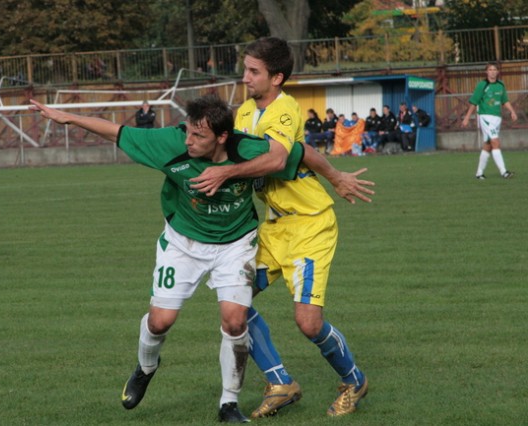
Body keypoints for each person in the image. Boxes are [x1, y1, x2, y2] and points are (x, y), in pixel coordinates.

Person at [30, 94, 305, 423]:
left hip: (235, 245)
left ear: (222, 137)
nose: (188, 140)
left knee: (235, 321)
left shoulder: (249, 149)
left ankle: (228, 404)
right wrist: (68, 118)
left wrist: (337, 176)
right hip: (183, 244)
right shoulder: (171, 143)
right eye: (187, 132)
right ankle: (146, 367)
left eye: (198, 136)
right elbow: (117, 132)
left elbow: (296, 154)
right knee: (160, 321)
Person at [190, 37, 374, 419]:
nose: (245, 77)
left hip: (309, 226)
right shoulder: (243, 114)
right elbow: (294, 152)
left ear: (276, 77)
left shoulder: (285, 109)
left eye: (254, 72)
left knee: (308, 322)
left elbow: (279, 157)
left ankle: (354, 380)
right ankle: (280, 382)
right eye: (245, 69)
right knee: (234, 304)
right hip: (273, 230)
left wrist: (336, 177)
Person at [461, 62, 517, 179]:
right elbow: (473, 102)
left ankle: (479, 173)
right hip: (485, 117)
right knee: (496, 142)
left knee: (488, 145)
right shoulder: (482, 85)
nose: (492, 72)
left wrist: (512, 111)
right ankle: (504, 172)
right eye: (490, 70)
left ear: (497, 72)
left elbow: (505, 100)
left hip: (497, 118)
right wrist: (467, 117)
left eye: (494, 69)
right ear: (486, 72)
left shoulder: (501, 85)